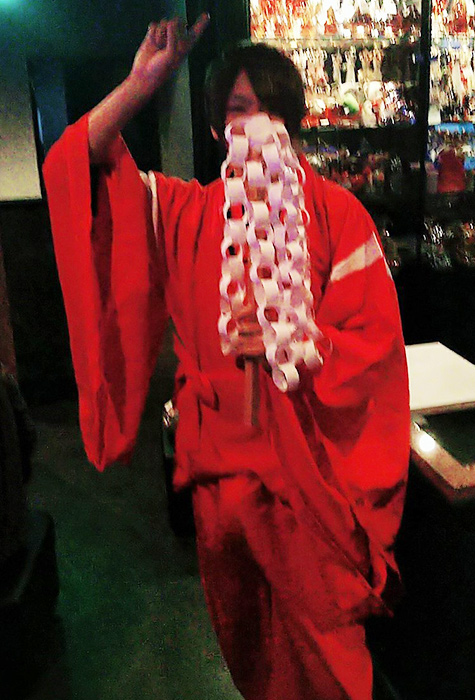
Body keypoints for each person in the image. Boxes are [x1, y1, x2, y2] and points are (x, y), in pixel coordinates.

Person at [43, 14, 410, 700]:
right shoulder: (184, 211)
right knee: (251, 660)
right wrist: (141, 84)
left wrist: (296, 342)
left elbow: (374, 349)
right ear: (216, 128)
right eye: (240, 109)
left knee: (329, 663)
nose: (258, 124)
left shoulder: (338, 215)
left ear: (294, 123)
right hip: (219, 484)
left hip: (307, 486)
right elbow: (75, 162)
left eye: (273, 109)